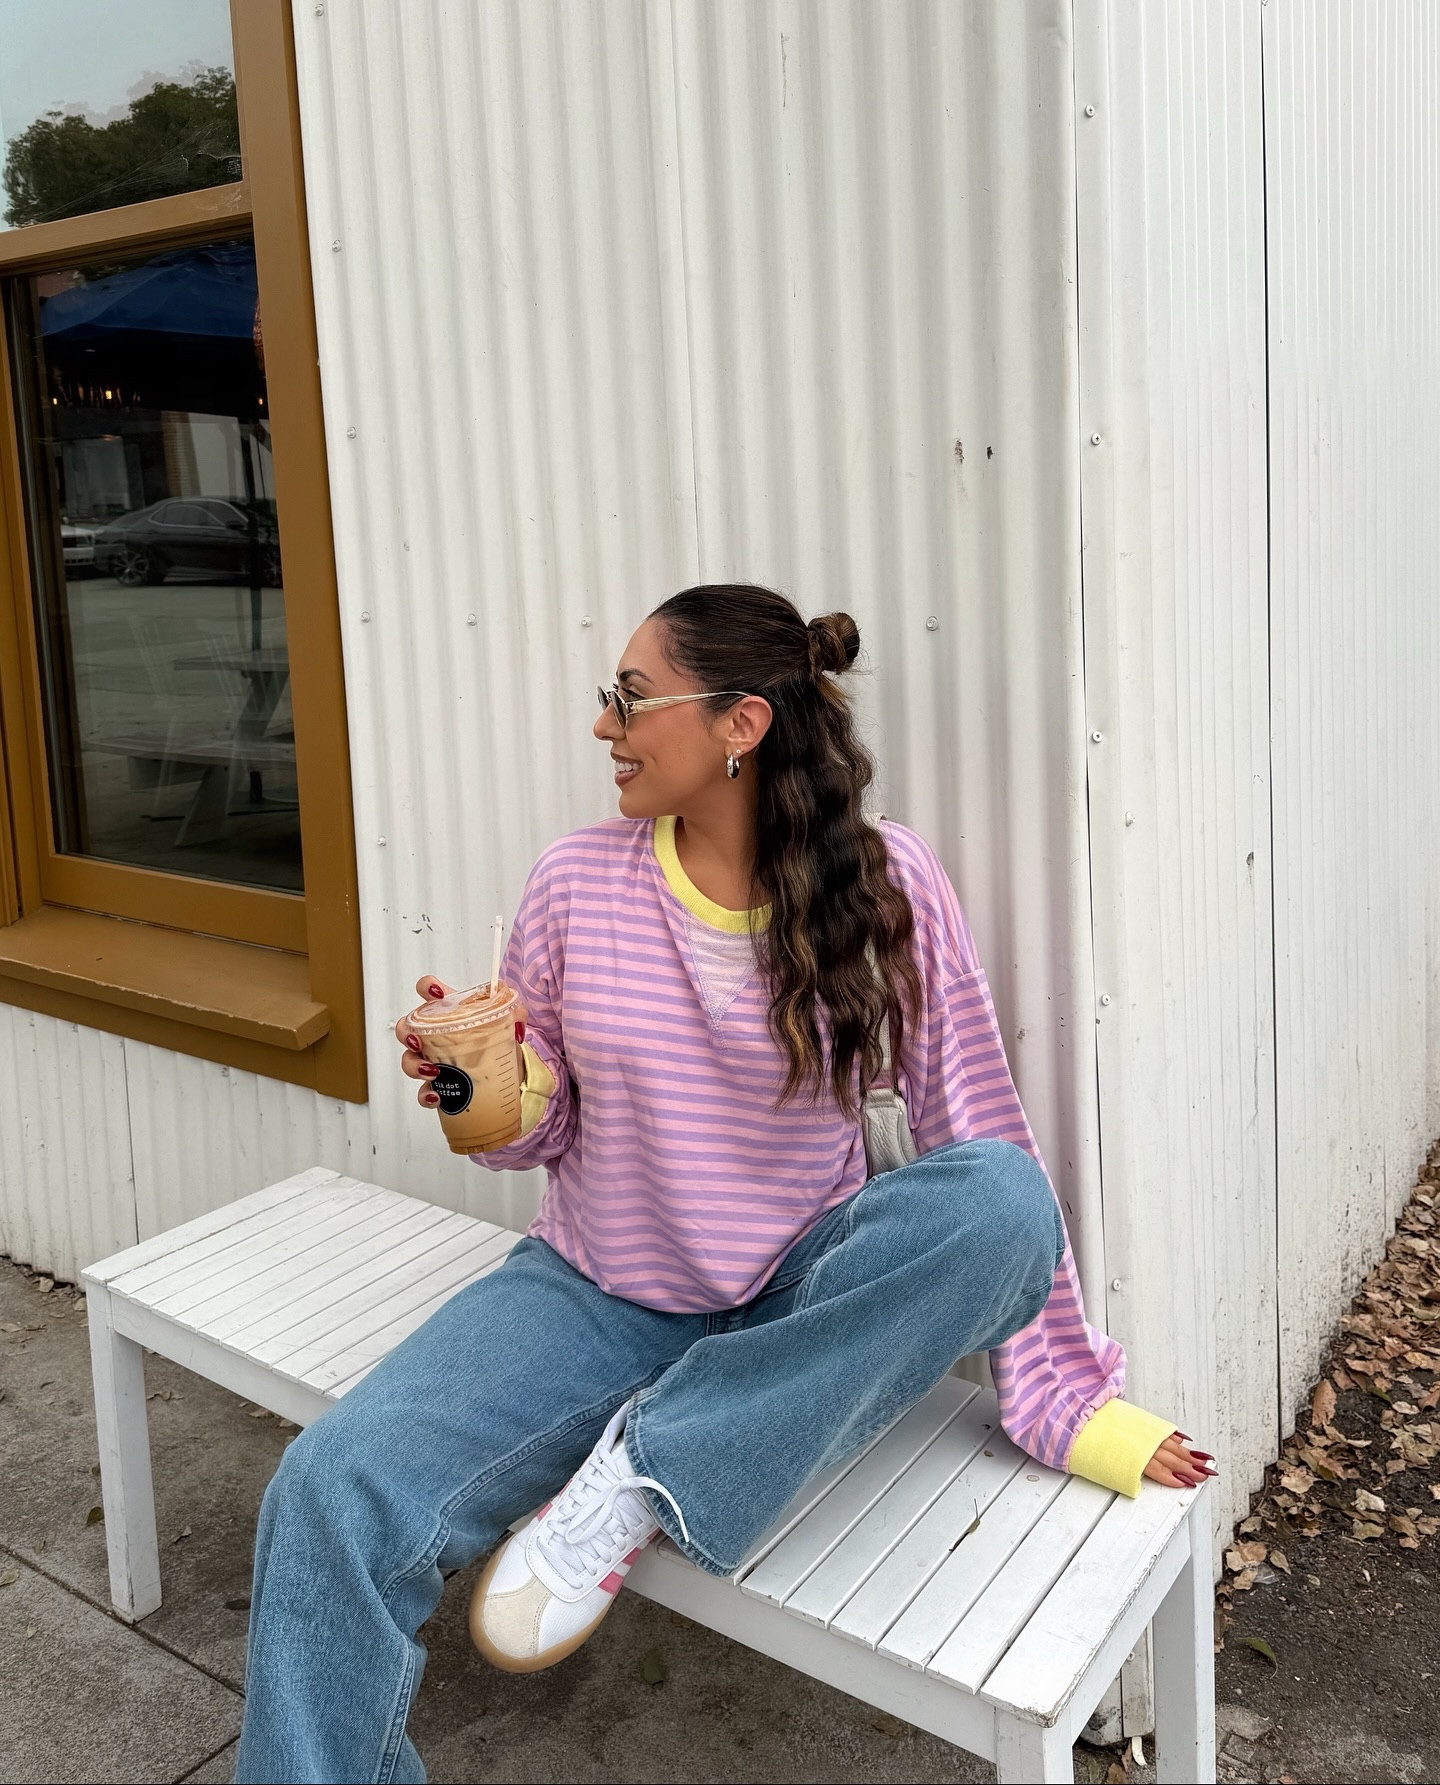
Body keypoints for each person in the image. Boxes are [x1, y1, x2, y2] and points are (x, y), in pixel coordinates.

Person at [234, 584, 1215, 1784]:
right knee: (330, 1491)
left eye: (632, 698)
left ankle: (648, 1471)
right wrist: (476, 1085)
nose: (605, 726)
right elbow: (536, 1134)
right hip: (595, 1291)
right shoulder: (572, 884)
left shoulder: (888, 883)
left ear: (741, 724)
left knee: (998, 1198)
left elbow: (974, 1118)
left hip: (799, 1303)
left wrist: (1062, 1396)